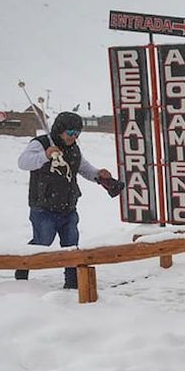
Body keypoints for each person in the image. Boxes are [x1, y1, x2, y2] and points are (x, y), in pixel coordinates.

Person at [16, 112, 119, 289]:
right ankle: (22, 266)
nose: (74, 137)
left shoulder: (73, 148)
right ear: (60, 129)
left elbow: (82, 167)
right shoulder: (41, 143)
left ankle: (72, 283)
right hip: (43, 207)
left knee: (71, 245)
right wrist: (45, 156)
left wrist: (97, 175)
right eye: (71, 133)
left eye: (77, 134)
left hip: (68, 207)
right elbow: (23, 162)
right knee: (43, 241)